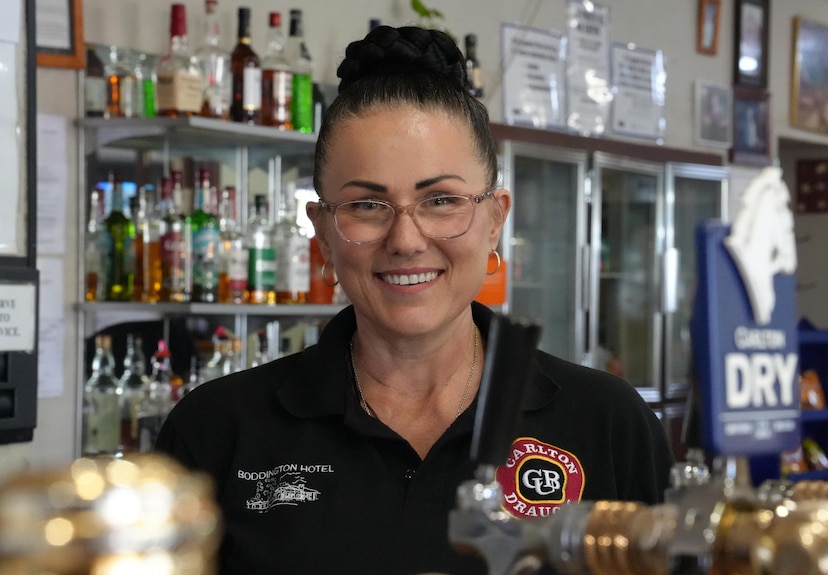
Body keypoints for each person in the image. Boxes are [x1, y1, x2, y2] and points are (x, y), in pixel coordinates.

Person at [155, 25, 675, 575]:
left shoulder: (609, 423)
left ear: (494, 219)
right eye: (367, 205)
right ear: (323, 232)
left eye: (441, 200)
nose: (405, 240)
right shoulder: (214, 432)